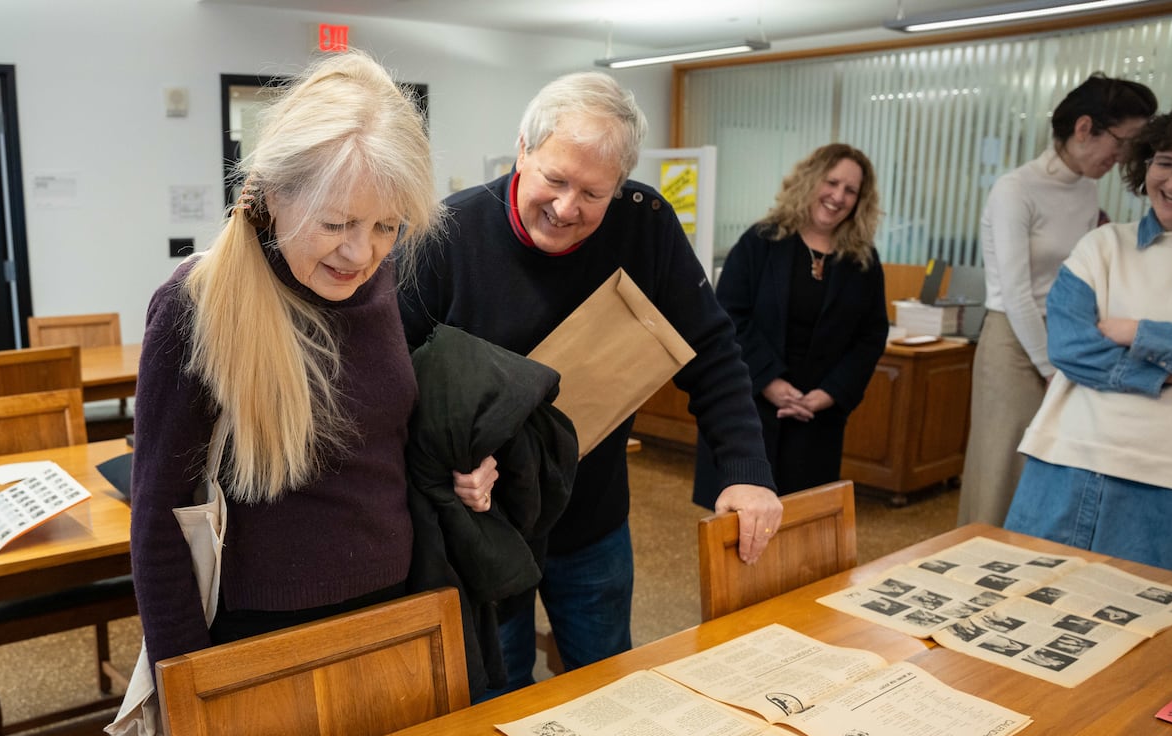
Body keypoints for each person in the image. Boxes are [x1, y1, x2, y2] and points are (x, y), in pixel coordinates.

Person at [399, 72, 781, 694]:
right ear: (523, 148)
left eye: (594, 193)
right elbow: (393, 387)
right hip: (483, 527)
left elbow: (711, 349)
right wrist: (444, 464)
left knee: (609, 691)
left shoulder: (645, 223)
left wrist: (744, 467)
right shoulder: (445, 236)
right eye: (554, 179)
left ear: (621, 186)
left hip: (592, 515)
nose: (567, 207)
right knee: (495, 699)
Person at [129, 52, 444, 671]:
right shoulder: (197, 305)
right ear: (274, 195)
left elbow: (378, 446)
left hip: (394, 612)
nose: (361, 252)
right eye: (337, 223)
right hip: (264, 641)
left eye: (386, 225)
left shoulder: (379, 287)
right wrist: (187, 688)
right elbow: (157, 524)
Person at [1005, 98, 1172, 577]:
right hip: (1069, 464)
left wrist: (1139, 332)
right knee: (1028, 606)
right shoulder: (1102, 245)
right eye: (1166, 163)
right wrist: (1167, 375)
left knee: (1155, 629)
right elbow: (1069, 347)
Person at [958, 74, 1157, 526]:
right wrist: (1051, 366)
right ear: (1084, 127)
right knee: (1001, 465)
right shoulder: (1015, 189)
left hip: (1067, 335)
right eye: (1123, 142)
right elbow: (1015, 291)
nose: (1124, 158)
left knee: (1052, 464)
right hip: (1012, 340)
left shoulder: (1087, 190)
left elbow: (1080, 275)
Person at [694, 144, 888, 498]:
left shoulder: (862, 260)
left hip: (816, 416)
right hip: (751, 408)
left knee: (803, 525)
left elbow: (871, 335)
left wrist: (830, 393)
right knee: (742, 524)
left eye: (850, 191)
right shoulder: (762, 241)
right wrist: (769, 380)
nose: (838, 196)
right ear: (810, 181)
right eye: (831, 182)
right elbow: (728, 316)